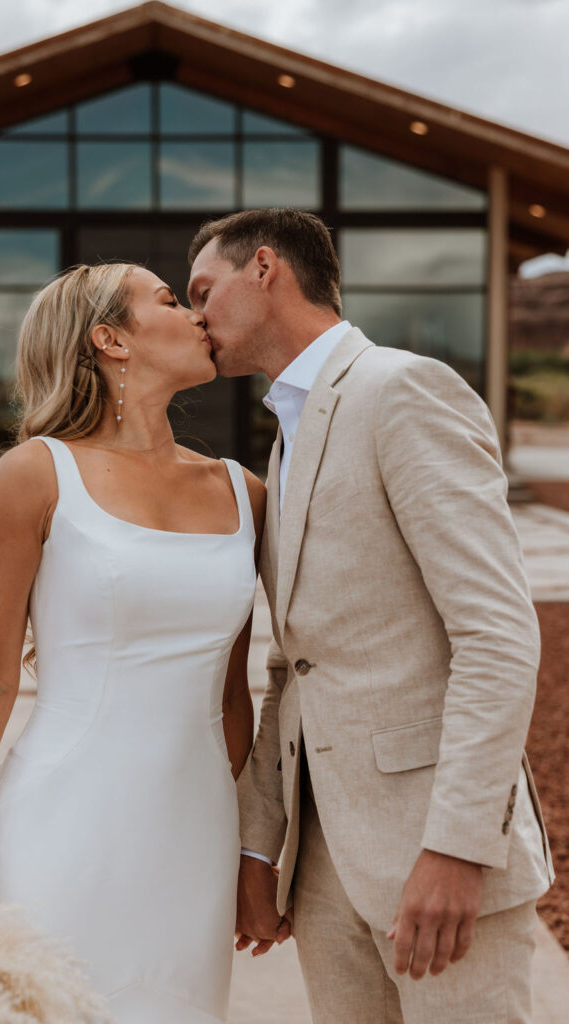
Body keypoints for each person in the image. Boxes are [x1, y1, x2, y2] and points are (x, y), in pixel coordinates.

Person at [187, 208, 555, 1024]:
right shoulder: (283, 439)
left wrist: (458, 847)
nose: (194, 317)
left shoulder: (401, 389)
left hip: (438, 861)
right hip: (323, 874)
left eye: (203, 291)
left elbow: (495, 635)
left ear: (264, 269)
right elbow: (294, 666)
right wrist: (260, 845)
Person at [0, 262, 269, 1024]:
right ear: (110, 340)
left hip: (193, 830)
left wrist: (247, 850)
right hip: (62, 817)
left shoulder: (244, 491)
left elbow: (233, 697)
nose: (196, 315)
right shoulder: (35, 476)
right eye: (169, 300)